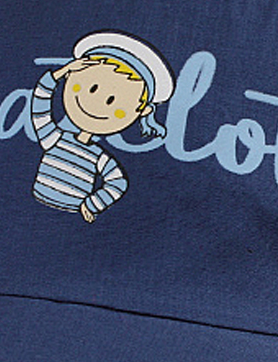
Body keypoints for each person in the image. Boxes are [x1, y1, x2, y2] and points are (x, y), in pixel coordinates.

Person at [31, 31, 174, 222]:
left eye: (112, 100)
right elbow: (39, 104)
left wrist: (92, 204)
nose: (95, 103)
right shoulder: (55, 139)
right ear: (72, 76)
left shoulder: (96, 156)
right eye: (92, 88)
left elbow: (118, 182)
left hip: (72, 215)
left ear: (142, 111)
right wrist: (61, 72)